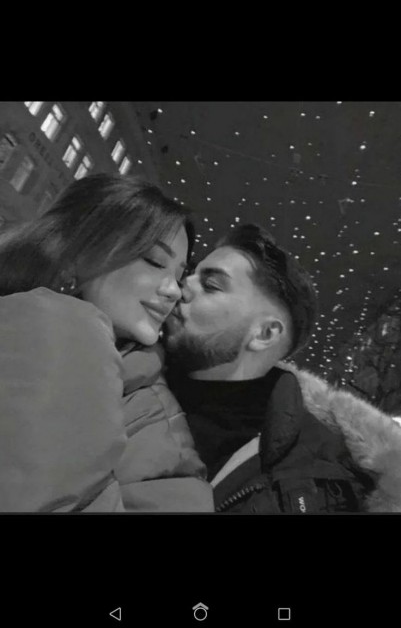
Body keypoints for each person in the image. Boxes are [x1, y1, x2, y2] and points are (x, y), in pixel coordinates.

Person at [0, 173, 213, 512]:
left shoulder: (149, 401)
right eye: (155, 261)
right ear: (79, 249)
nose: (173, 290)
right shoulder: (50, 324)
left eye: (178, 275)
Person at [164, 223, 401, 513]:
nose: (181, 285)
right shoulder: (123, 374)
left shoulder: (326, 482)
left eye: (211, 285)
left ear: (265, 334)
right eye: (189, 273)